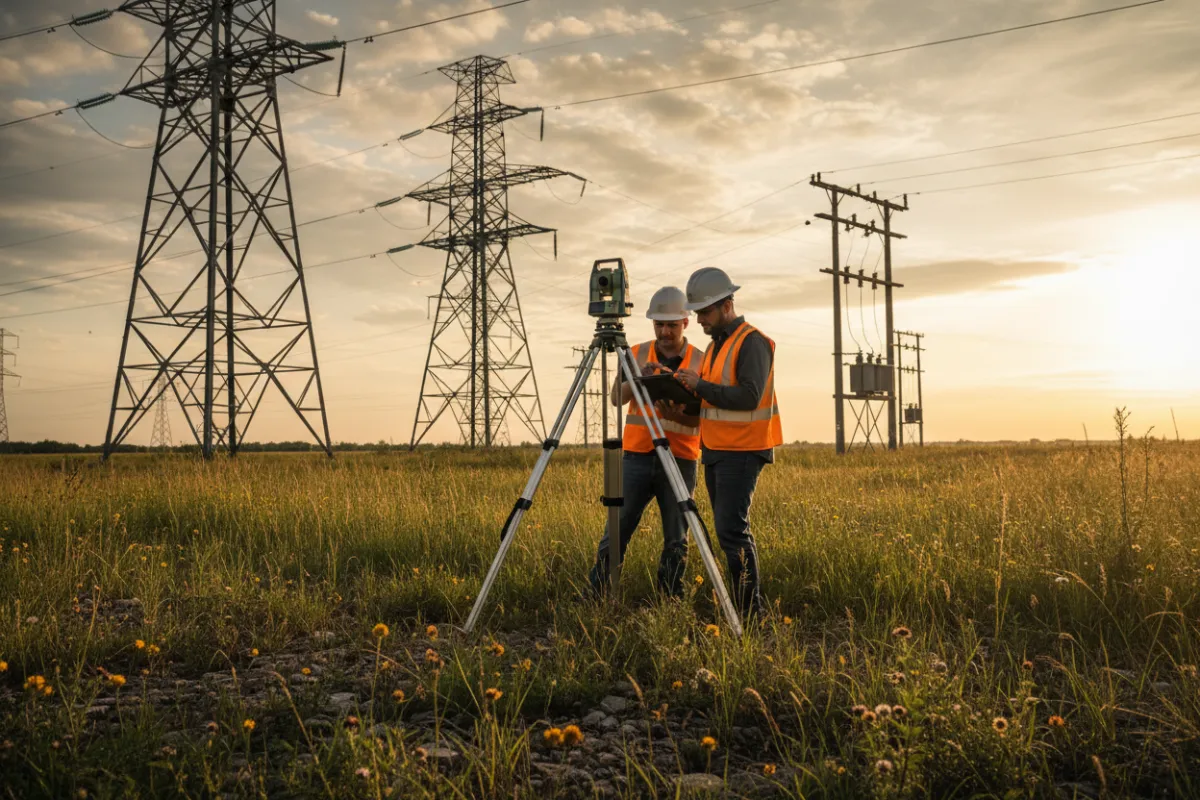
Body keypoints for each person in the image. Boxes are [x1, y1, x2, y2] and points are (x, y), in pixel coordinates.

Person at [674, 267, 782, 618]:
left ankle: (752, 612)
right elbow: (713, 398)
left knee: (732, 530)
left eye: (704, 312)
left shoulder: (752, 341)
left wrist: (699, 385)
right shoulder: (716, 346)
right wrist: (678, 390)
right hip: (718, 450)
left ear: (726, 305)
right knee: (727, 533)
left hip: (744, 450)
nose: (700, 319)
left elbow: (748, 396)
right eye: (697, 313)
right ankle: (742, 605)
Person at [588, 286, 704, 597]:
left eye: (672, 325)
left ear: (685, 323)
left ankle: (670, 596)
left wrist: (678, 411)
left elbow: (702, 418)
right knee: (617, 528)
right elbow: (615, 398)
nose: (665, 332)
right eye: (659, 325)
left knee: (677, 535)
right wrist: (639, 378)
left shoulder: (701, 361)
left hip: (681, 459)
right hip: (637, 456)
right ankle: (599, 592)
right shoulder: (634, 353)